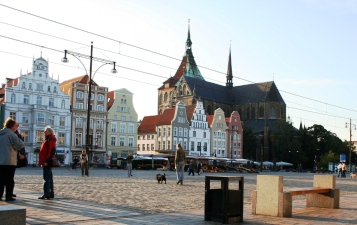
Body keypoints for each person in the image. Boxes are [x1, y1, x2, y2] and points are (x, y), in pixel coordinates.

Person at [0, 118, 24, 201]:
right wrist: (21, 138)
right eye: (15, 126)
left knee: (1, 180)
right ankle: (8, 196)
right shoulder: (11, 134)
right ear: (12, 126)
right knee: (9, 179)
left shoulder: (1, 133)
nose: (16, 128)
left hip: (0, 161)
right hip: (9, 160)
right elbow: (19, 145)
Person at [38, 126, 56, 200]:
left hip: (47, 161)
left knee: (47, 178)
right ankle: (50, 193)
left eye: (46, 131)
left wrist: (46, 161)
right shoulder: (48, 139)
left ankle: (47, 193)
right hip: (46, 161)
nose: (44, 132)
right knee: (49, 178)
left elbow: (51, 151)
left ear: (50, 132)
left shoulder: (50, 140)